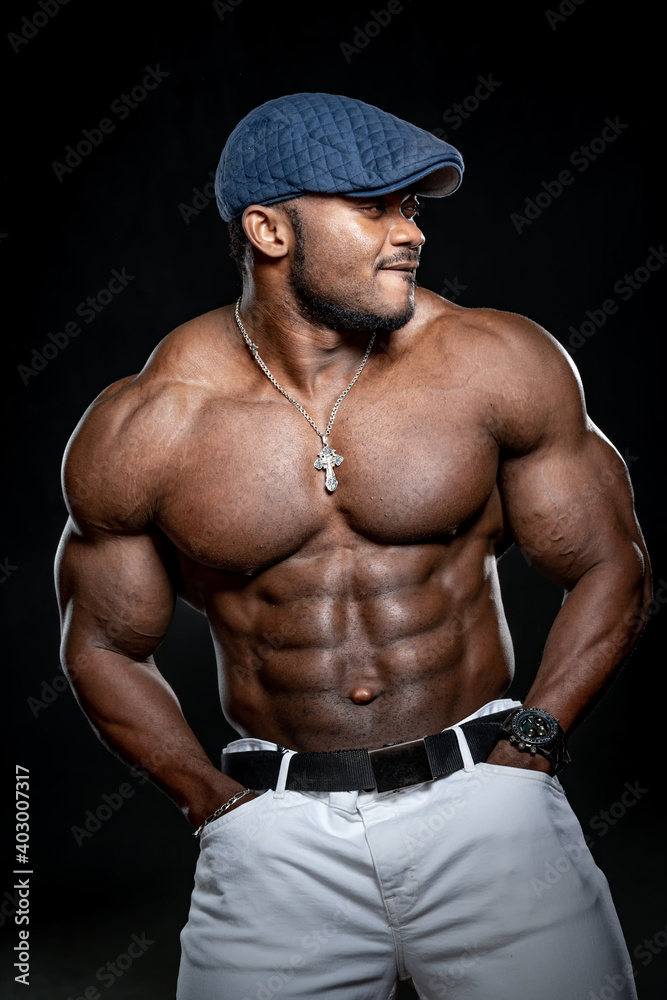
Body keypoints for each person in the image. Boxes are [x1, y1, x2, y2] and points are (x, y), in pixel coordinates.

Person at [55, 93, 651, 1000]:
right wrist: (211, 803)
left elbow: (612, 564)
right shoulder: (149, 424)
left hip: (486, 808)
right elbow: (100, 641)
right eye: (374, 208)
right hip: (276, 837)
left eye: (412, 208)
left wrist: (530, 749)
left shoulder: (495, 361)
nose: (408, 232)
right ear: (268, 230)